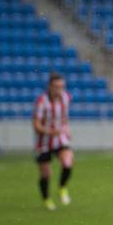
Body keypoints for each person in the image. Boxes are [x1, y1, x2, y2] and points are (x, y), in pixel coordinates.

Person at [32, 71, 72, 211]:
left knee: (67, 163)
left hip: (60, 139)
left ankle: (62, 187)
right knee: (46, 174)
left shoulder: (66, 98)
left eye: (62, 86)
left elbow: (64, 117)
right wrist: (49, 132)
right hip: (43, 141)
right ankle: (47, 199)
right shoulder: (42, 101)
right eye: (56, 86)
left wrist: (66, 129)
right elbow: (36, 125)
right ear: (50, 86)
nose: (59, 89)